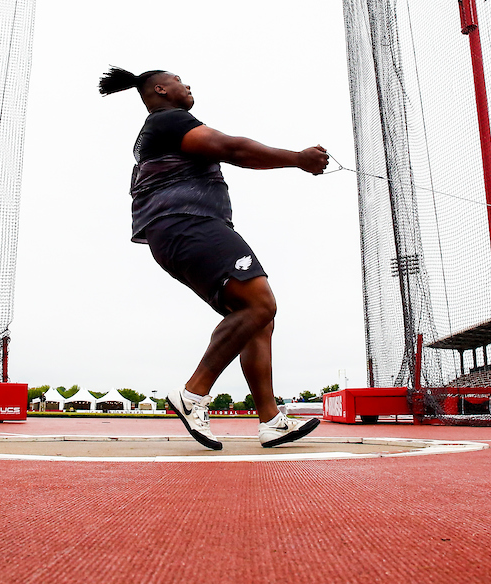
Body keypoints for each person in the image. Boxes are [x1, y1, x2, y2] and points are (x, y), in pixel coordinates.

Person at [99, 66, 329, 450]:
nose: (187, 84)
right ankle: (193, 394)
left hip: (175, 233)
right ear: (161, 89)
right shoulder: (169, 121)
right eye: (179, 80)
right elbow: (232, 149)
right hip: (188, 224)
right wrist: (298, 159)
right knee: (260, 304)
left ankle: (271, 420)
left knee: (256, 318)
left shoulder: (154, 135)